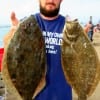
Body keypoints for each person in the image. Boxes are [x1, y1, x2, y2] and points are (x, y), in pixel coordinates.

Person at [4, 0, 72, 100]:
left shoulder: (69, 27)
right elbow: (11, 60)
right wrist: (9, 42)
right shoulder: (24, 25)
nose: (51, 0)